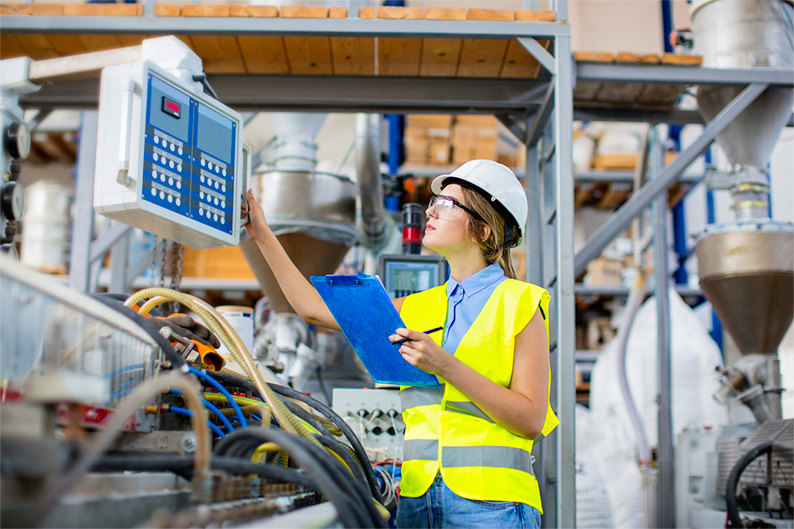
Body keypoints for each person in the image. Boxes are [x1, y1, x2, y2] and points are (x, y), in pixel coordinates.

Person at [242, 159, 558, 529]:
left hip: (493, 506)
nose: (430, 210)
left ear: (484, 231)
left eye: (447, 204)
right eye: (433, 202)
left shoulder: (521, 303)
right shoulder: (422, 306)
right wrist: (261, 232)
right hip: (417, 498)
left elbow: (531, 420)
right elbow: (312, 309)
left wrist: (444, 365)